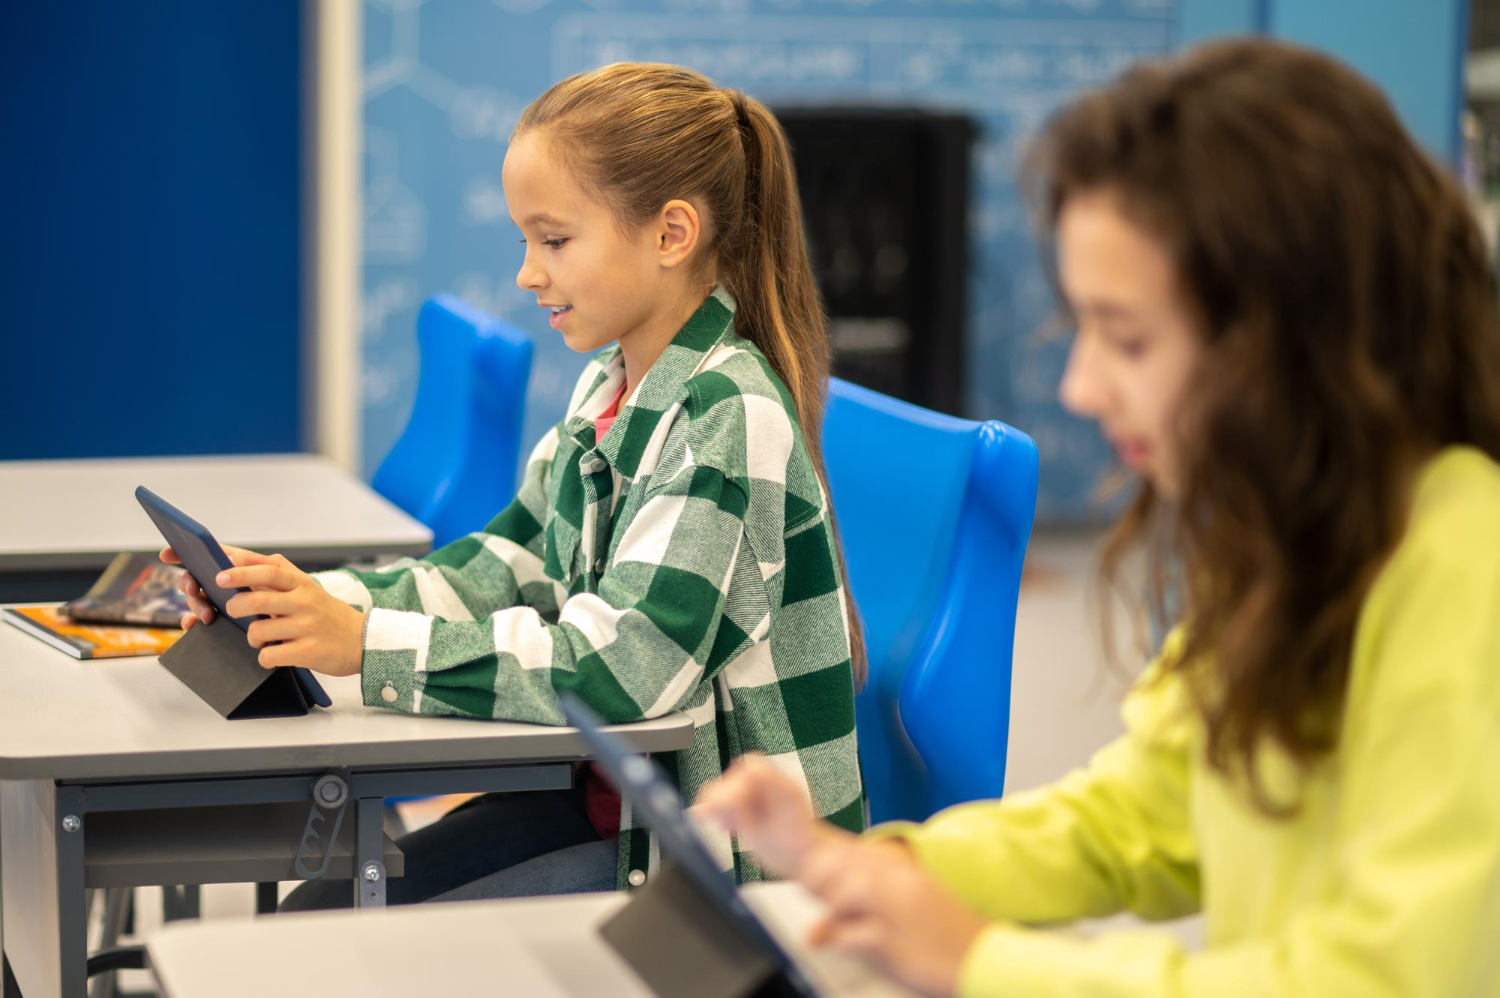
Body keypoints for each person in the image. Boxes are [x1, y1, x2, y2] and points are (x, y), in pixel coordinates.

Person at [699, 39, 1500, 998]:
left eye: (1127, 337)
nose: (1080, 386)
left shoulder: (1463, 573)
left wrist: (978, 963)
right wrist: (877, 871)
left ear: (1297, 339)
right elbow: (1145, 816)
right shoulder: (1295, 533)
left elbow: (1385, 979)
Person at [164, 62, 867, 908]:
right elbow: (500, 567)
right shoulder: (610, 390)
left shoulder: (726, 414)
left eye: (556, 241)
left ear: (672, 235)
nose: (528, 274)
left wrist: (363, 644)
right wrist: (302, 600)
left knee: (326, 933)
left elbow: (626, 670)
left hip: (716, 868)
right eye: (525, 241)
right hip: (610, 809)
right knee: (317, 911)